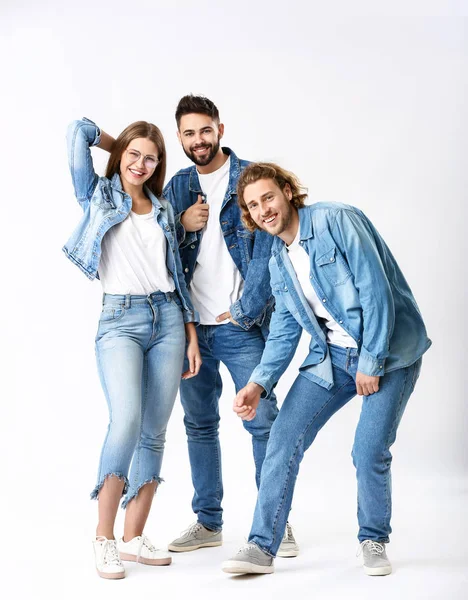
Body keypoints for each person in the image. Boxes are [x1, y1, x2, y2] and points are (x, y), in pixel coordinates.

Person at [222, 163, 431, 576]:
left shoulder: (336, 219)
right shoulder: (279, 262)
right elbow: (283, 331)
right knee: (282, 437)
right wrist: (258, 384)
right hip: (333, 358)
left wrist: (371, 362)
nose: (264, 209)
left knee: (368, 449)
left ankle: (373, 539)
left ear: (286, 192)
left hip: (390, 352)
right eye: (253, 205)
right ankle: (261, 547)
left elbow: (377, 293)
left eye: (268, 197)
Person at [63, 117, 201, 579]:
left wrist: (191, 333)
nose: (141, 164)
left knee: (155, 430)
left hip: (168, 321)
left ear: (159, 165)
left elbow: (176, 276)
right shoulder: (99, 197)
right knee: (125, 419)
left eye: (151, 157)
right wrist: (115, 141)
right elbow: (76, 131)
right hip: (120, 321)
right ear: (121, 156)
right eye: (134, 154)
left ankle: (134, 535)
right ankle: (103, 537)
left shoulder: (162, 210)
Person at [163, 96, 297, 557]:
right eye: (188, 133)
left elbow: (268, 254)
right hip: (190, 331)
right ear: (179, 137)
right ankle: (208, 522)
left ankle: (274, 520)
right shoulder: (177, 187)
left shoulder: (250, 178)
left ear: (220, 128)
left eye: (204, 130)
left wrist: (244, 311)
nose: (198, 140)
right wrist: (180, 226)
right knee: (199, 425)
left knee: (262, 422)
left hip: (240, 328)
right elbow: (159, 252)